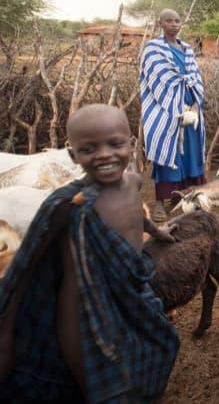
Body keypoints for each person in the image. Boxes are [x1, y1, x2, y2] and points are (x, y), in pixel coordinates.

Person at [0, 104, 179, 402]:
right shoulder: (71, 207)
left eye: (115, 144)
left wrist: (158, 232)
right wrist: (6, 326)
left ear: (132, 145)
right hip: (94, 304)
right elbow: (35, 268)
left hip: (134, 291)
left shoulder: (133, 183)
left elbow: (137, 212)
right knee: (110, 366)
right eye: (89, 148)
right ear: (73, 156)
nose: (105, 154)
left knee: (162, 342)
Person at [140, 8, 206, 222]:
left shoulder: (186, 48)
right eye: (169, 21)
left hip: (189, 110)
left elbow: (195, 77)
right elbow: (157, 80)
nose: (174, 24)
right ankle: (160, 202)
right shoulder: (153, 49)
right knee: (166, 154)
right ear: (161, 23)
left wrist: (194, 105)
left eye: (177, 21)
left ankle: (186, 198)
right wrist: (175, 107)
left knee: (189, 154)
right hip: (164, 110)